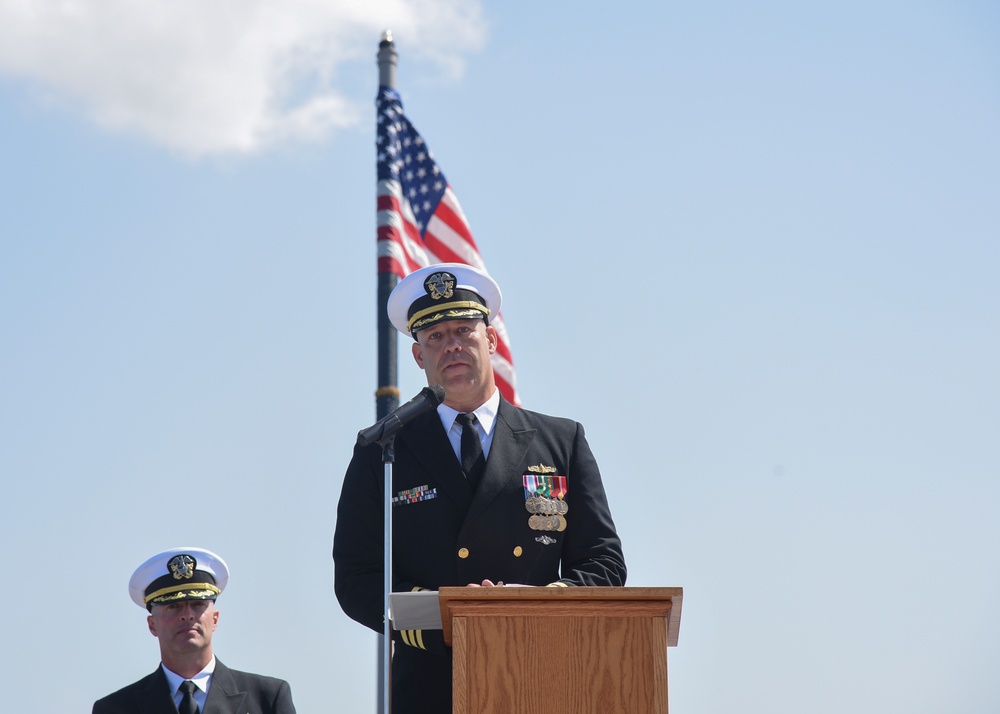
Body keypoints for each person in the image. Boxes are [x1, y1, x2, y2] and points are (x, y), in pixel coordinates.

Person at [333, 263, 626, 713]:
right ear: (418, 357)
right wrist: (446, 616)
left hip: (543, 674)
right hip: (432, 686)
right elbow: (356, 576)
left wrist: (535, 605)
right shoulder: (383, 450)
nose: (451, 345)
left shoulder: (561, 441)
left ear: (490, 340)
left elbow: (603, 561)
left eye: (463, 331)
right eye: (435, 337)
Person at [93, 547, 296, 714]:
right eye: (173, 606)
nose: (187, 615)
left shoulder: (267, 699)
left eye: (198, 604)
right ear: (152, 625)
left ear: (215, 619)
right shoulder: (115, 708)